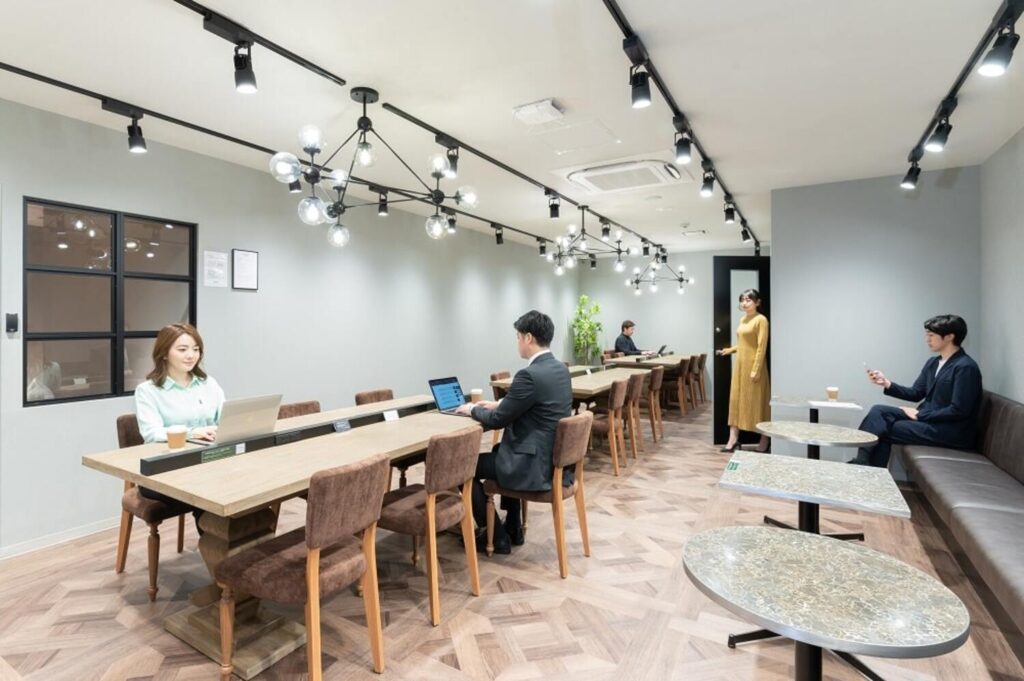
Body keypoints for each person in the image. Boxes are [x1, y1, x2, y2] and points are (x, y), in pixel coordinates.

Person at [455, 310, 573, 554]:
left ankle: (496, 536)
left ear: (528, 337)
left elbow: (498, 421)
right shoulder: (560, 369)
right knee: (501, 449)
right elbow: (538, 404)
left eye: (518, 337)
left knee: (459, 468)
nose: (517, 342)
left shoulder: (529, 374)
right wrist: (500, 403)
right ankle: (513, 526)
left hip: (532, 466)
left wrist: (472, 409)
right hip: (553, 461)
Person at [850, 314, 982, 467]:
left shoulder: (966, 367)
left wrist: (920, 414)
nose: (927, 339)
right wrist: (886, 383)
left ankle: (866, 468)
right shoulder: (933, 363)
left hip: (950, 431)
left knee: (885, 429)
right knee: (878, 411)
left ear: (949, 337)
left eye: (931, 335)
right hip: (930, 421)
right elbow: (916, 393)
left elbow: (959, 410)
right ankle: (863, 461)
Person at [134, 323, 225, 524]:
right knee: (210, 487)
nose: (191, 355)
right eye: (183, 350)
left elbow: (225, 419)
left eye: (196, 349)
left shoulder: (209, 384)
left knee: (236, 480)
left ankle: (243, 541)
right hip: (163, 470)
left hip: (207, 461)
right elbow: (151, 433)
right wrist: (193, 432)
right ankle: (217, 540)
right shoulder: (147, 391)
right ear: (164, 353)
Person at [716, 289, 770, 453]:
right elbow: (743, 344)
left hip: (754, 368)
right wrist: (730, 350)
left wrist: (756, 370)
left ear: (757, 302)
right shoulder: (743, 319)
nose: (744, 303)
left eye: (748, 300)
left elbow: (761, 347)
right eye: (742, 300)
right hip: (740, 366)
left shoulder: (761, 320)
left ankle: (764, 440)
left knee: (758, 403)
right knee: (736, 401)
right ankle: (733, 439)